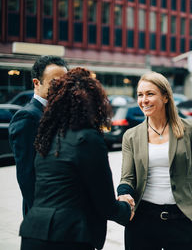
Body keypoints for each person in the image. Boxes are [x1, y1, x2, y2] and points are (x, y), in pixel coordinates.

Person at [19, 67, 134, 250]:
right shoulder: (88, 139)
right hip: (69, 237)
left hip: (32, 234)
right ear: (93, 103)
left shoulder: (47, 137)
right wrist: (127, 209)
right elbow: (105, 205)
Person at [117, 72, 192, 250]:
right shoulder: (131, 136)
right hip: (142, 221)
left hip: (181, 220)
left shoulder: (189, 130)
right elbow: (127, 178)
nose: (144, 100)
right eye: (140, 95)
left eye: (150, 94)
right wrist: (124, 193)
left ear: (165, 97)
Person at [9, 55, 68, 216]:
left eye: (65, 83)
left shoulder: (60, 112)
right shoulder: (27, 117)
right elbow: (27, 175)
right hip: (45, 214)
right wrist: (42, 215)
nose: (62, 88)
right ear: (37, 83)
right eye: (55, 83)